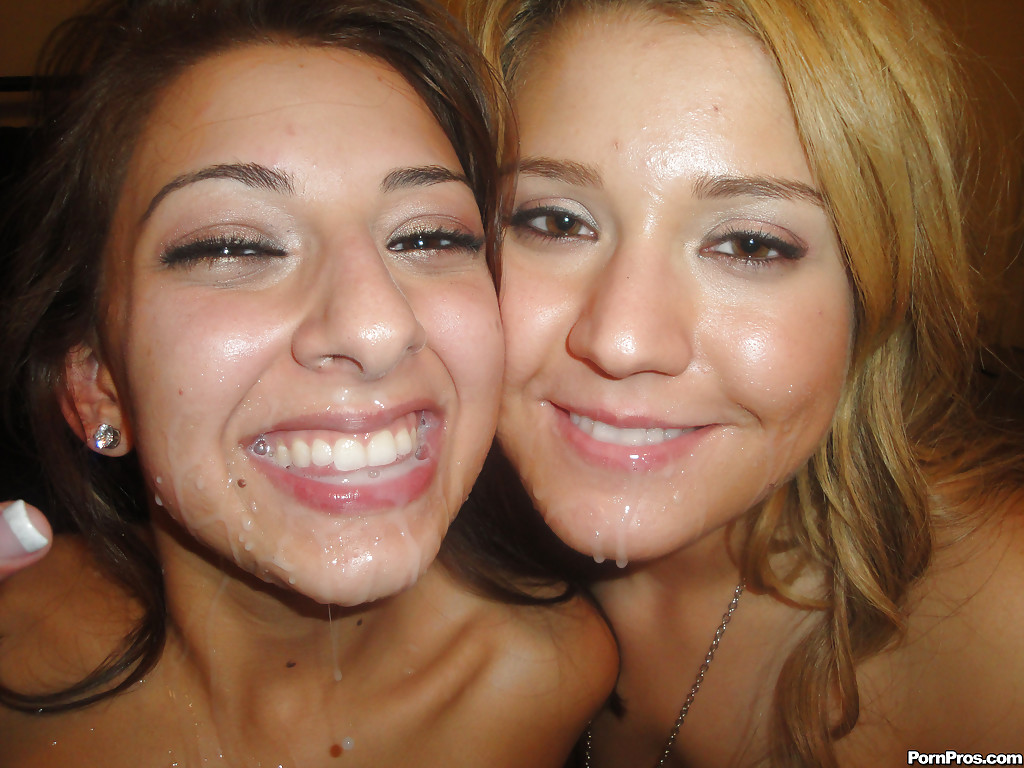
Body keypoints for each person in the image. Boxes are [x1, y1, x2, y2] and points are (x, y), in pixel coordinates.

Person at [0, 0, 616, 764]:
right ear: (97, 386)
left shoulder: (545, 681)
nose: (375, 326)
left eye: (429, 236)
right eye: (234, 246)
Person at [463, 0, 1024, 764]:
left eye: (749, 244)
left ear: (876, 295)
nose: (623, 341)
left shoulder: (1001, 634)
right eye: (557, 222)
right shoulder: (394, 589)